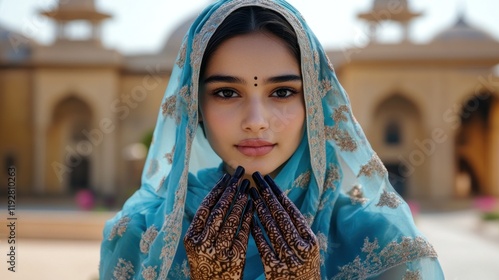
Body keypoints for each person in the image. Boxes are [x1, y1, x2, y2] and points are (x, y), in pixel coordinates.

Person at [99, 0, 445, 279]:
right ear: (195, 107)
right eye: (225, 92)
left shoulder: (379, 240)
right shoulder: (142, 235)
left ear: (313, 103)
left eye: (281, 92)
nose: (255, 122)